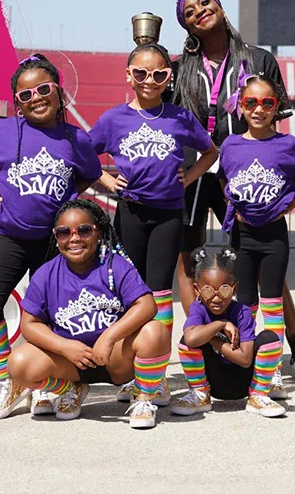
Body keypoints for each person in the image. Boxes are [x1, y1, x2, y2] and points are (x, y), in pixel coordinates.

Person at [168, 0, 295, 381]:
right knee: (189, 259)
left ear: (219, 5)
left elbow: (275, 117)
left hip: (242, 167)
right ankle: (207, 343)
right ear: (184, 23)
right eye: (189, 10)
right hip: (199, 169)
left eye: (205, 2)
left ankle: (293, 332)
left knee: (261, 257)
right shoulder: (180, 65)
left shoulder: (259, 59)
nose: (200, 11)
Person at [0, 54, 103, 421]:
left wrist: (67, 199)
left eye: (43, 89)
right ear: (17, 103)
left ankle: (52, 384)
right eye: (25, 94)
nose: (36, 97)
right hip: (9, 235)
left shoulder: (75, 138)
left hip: (56, 244)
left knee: (51, 318)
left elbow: (88, 174)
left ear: (58, 91)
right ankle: (7, 380)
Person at [91, 42, 218, 404]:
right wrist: (104, 178)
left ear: (168, 77)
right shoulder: (114, 119)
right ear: (128, 75)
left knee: (160, 295)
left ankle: (156, 378)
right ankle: (135, 372)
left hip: (167, 216)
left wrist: (188, 178)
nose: (150, 80)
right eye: (142, 73)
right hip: (130, 213)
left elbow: (211, 151)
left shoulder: (179, 117)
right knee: (131, 296)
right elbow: (84, 152)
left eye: (159, 74)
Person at [7, 199, 171, 429]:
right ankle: (71, 390)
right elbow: (29, 324)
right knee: (18, 363)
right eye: (64, 232)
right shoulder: (46, 273)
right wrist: (64, 347)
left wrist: (109, 337)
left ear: (98, 233)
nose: (74, 238)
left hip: (116, 358)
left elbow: (146, 305)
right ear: (56, 237)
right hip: (71, 362)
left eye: (84, 230)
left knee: (155, 332)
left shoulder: (115, 265)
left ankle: (144, 397)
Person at [217, 73, 295, 404]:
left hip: (274, 237)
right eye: (251, 102)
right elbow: (222, 179)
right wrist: (233, 202)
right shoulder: (231, 145)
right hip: (242, 236)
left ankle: (271, 370)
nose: (258, 109)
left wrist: (289, 204)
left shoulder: (288, 145)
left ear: (277, 107)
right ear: (240, 107)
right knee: (246, 306)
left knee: (273, 305)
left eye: (267, 103)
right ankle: (253, 365)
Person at [170, 247, 287, 418]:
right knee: (186, 341)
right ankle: (200, 395)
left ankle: (258, 396)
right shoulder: (198, 309)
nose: (216, 298)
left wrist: (211, 339)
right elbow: (191, 338)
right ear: (197, 290)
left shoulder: (242, 312)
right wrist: (220, 324)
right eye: (208, 290)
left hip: (243, 381)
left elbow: (245, 359)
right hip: (214, 382)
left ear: (235, 289)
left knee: (270, 339)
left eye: (224, 290)